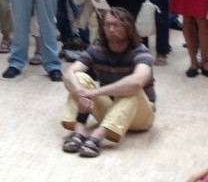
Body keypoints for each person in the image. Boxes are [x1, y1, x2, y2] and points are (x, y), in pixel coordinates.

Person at [60, 8, 154, 158]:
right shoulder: (97, 49)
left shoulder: (141, 51)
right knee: (78, 78)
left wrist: (93, 93)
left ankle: (97, 136)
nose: (111, 29)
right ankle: (79, 131)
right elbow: (68, 74)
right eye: (107, 25)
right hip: (111, 109)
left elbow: (137, 82)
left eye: (117, 25)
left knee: (131, 88)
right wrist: (81, 92)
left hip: (141, 115)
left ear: (128, 28)